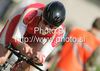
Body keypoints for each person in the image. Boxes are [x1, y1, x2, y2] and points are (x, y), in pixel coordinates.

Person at [0, 1, 66, 71]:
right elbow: (15, 39)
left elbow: (42, 56)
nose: (46, 28)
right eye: (45, 22)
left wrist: (39, 58)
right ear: (41, 16)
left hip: (37, 36)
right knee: (2, 59)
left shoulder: (60, 32)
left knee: (33, 59)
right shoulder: (32, 11)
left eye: (51, 27)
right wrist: (23, 46)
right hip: (17, 24)